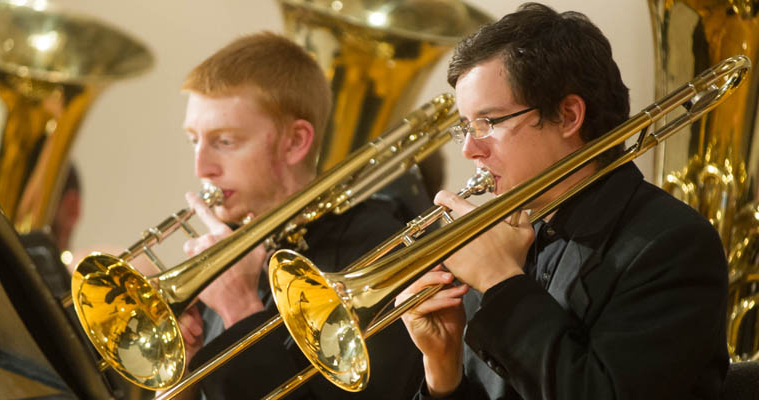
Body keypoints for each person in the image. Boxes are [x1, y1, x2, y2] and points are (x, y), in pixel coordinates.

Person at [396, 3, 729, 399]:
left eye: (487, 123)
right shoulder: (503, 239)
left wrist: (500, 282)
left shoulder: (672, 246)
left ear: (569, 115)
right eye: (465, 128)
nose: (469, 149)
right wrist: (443, 371)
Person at [175, 32, 423, 399]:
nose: (202, 166)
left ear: (294, 142)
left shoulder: (375, 247)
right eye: (194, 139)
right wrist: (184, 369)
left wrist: (240, 309)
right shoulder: (230, 242)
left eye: (224, 141)